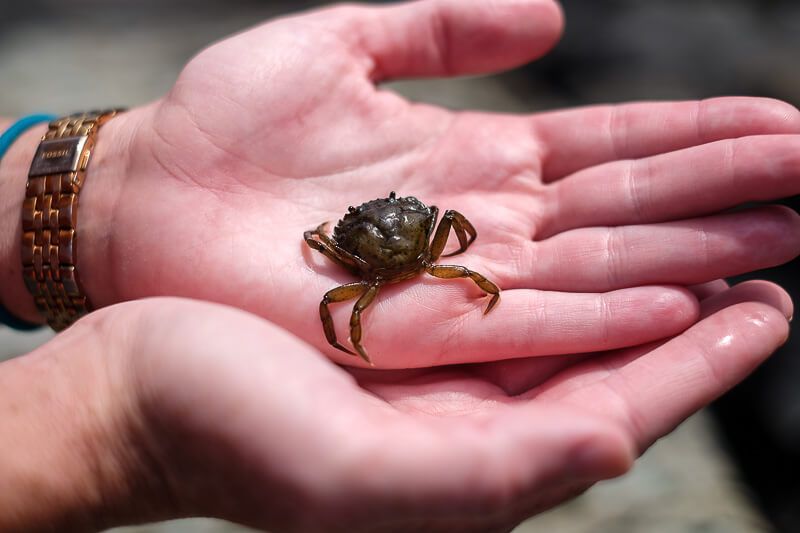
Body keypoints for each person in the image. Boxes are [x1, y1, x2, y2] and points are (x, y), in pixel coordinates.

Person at [0, 0, 798, 531]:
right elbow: (340, 289)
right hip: (407, 256)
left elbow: (355, 252)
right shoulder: (390, 257)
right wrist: (111, 418)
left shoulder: (376, 246)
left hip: (404, 253)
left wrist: (94, 191)